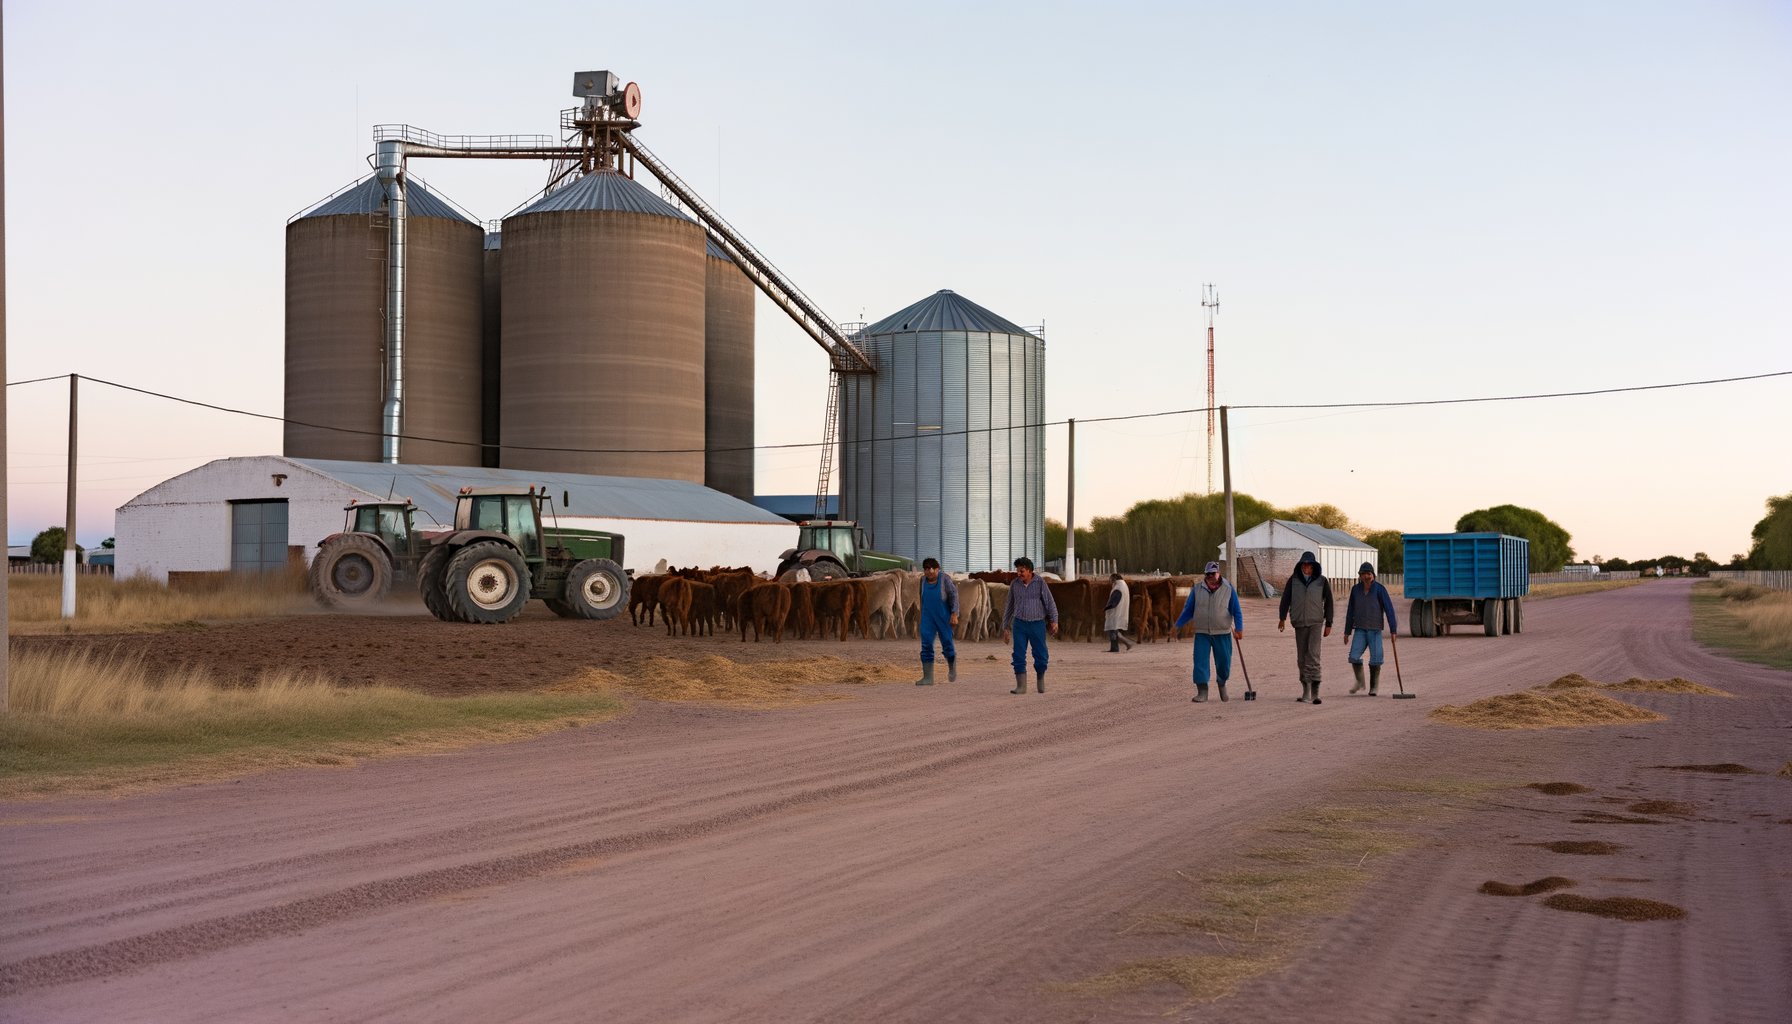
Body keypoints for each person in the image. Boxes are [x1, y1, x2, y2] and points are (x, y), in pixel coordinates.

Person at [1174, 561, 1243, 703]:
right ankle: (1202, 692)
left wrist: (1239, 628)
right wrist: (1177, 625)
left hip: (1222, 632)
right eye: (1208, 574)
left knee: (1224, 663)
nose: (1211, 576)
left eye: (1214, 573)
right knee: (1200, 662)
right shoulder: (1197, 589)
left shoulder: (1228, 589)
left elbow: (1236, 611)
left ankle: (1222, 683)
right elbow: (1188, 610)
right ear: (1205, 575)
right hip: (1202, 632)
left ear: (1219, 573)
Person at [1276, 551, 1333, 704]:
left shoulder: (1322, 581)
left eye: (1310, 565)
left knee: (1313, 655)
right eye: (1305, 565)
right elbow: (1285, 598)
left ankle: (1315, 693)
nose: (1307, 568)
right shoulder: (1293, 580)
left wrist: (1329, 623)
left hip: (1316, 622)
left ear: (1314, 566)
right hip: (1299, 622)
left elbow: (1329, 602)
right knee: (1302, 657)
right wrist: (1282, 618)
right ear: (1301, 565)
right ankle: (1305, 691)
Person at [1001, 556, 1058, 693]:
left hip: (1037, 624)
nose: (1018, 574)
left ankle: (1040, 681)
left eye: (1021, 571)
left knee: (1040, 653)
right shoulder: (1015, 584)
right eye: (1018, 571)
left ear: (1029, 571)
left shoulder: (1040, 583)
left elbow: (1049, 602)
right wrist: (1005, 627)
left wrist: (1054, 620)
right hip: (1019, 624)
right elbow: (1009, 605)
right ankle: (1021, 686)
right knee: (1018, 654)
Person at [1342, 561, 1398, 696]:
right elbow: (1350, 611)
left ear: (1373, 575)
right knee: (1354, 657)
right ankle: (1360, 682)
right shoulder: (1355, 590)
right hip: (1360, 629)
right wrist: (1347, 631)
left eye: (1369, 573)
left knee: (1376, 659)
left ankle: (1374, 687)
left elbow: (1389, 610)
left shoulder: (1380, 589)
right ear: (1360, 576)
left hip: (1375, 630)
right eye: (1364, 574)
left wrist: (1393, 630)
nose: (1367, 576)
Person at [915, 558, 959, 686]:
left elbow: (954, 596)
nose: (928, 572)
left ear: (937, 569)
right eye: (925, 569)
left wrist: (954, 613)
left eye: (930, 569)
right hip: (927, 616)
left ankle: (952, 667)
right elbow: (921, 596)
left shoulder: (945, 579)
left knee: (947, 642)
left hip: (943, 616)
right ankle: (928, 677)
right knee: (926, 643)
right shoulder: (922, 580)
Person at [1104, 573, 1134, 652]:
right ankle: (1116, 647)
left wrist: (1107, 607)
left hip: (1115, 611)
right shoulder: (1123, 585)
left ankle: (1126, 643)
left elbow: (1115, 599)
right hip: (1120, 611)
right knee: (1113, 630)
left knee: (1111, 630)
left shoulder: (1118, 587)